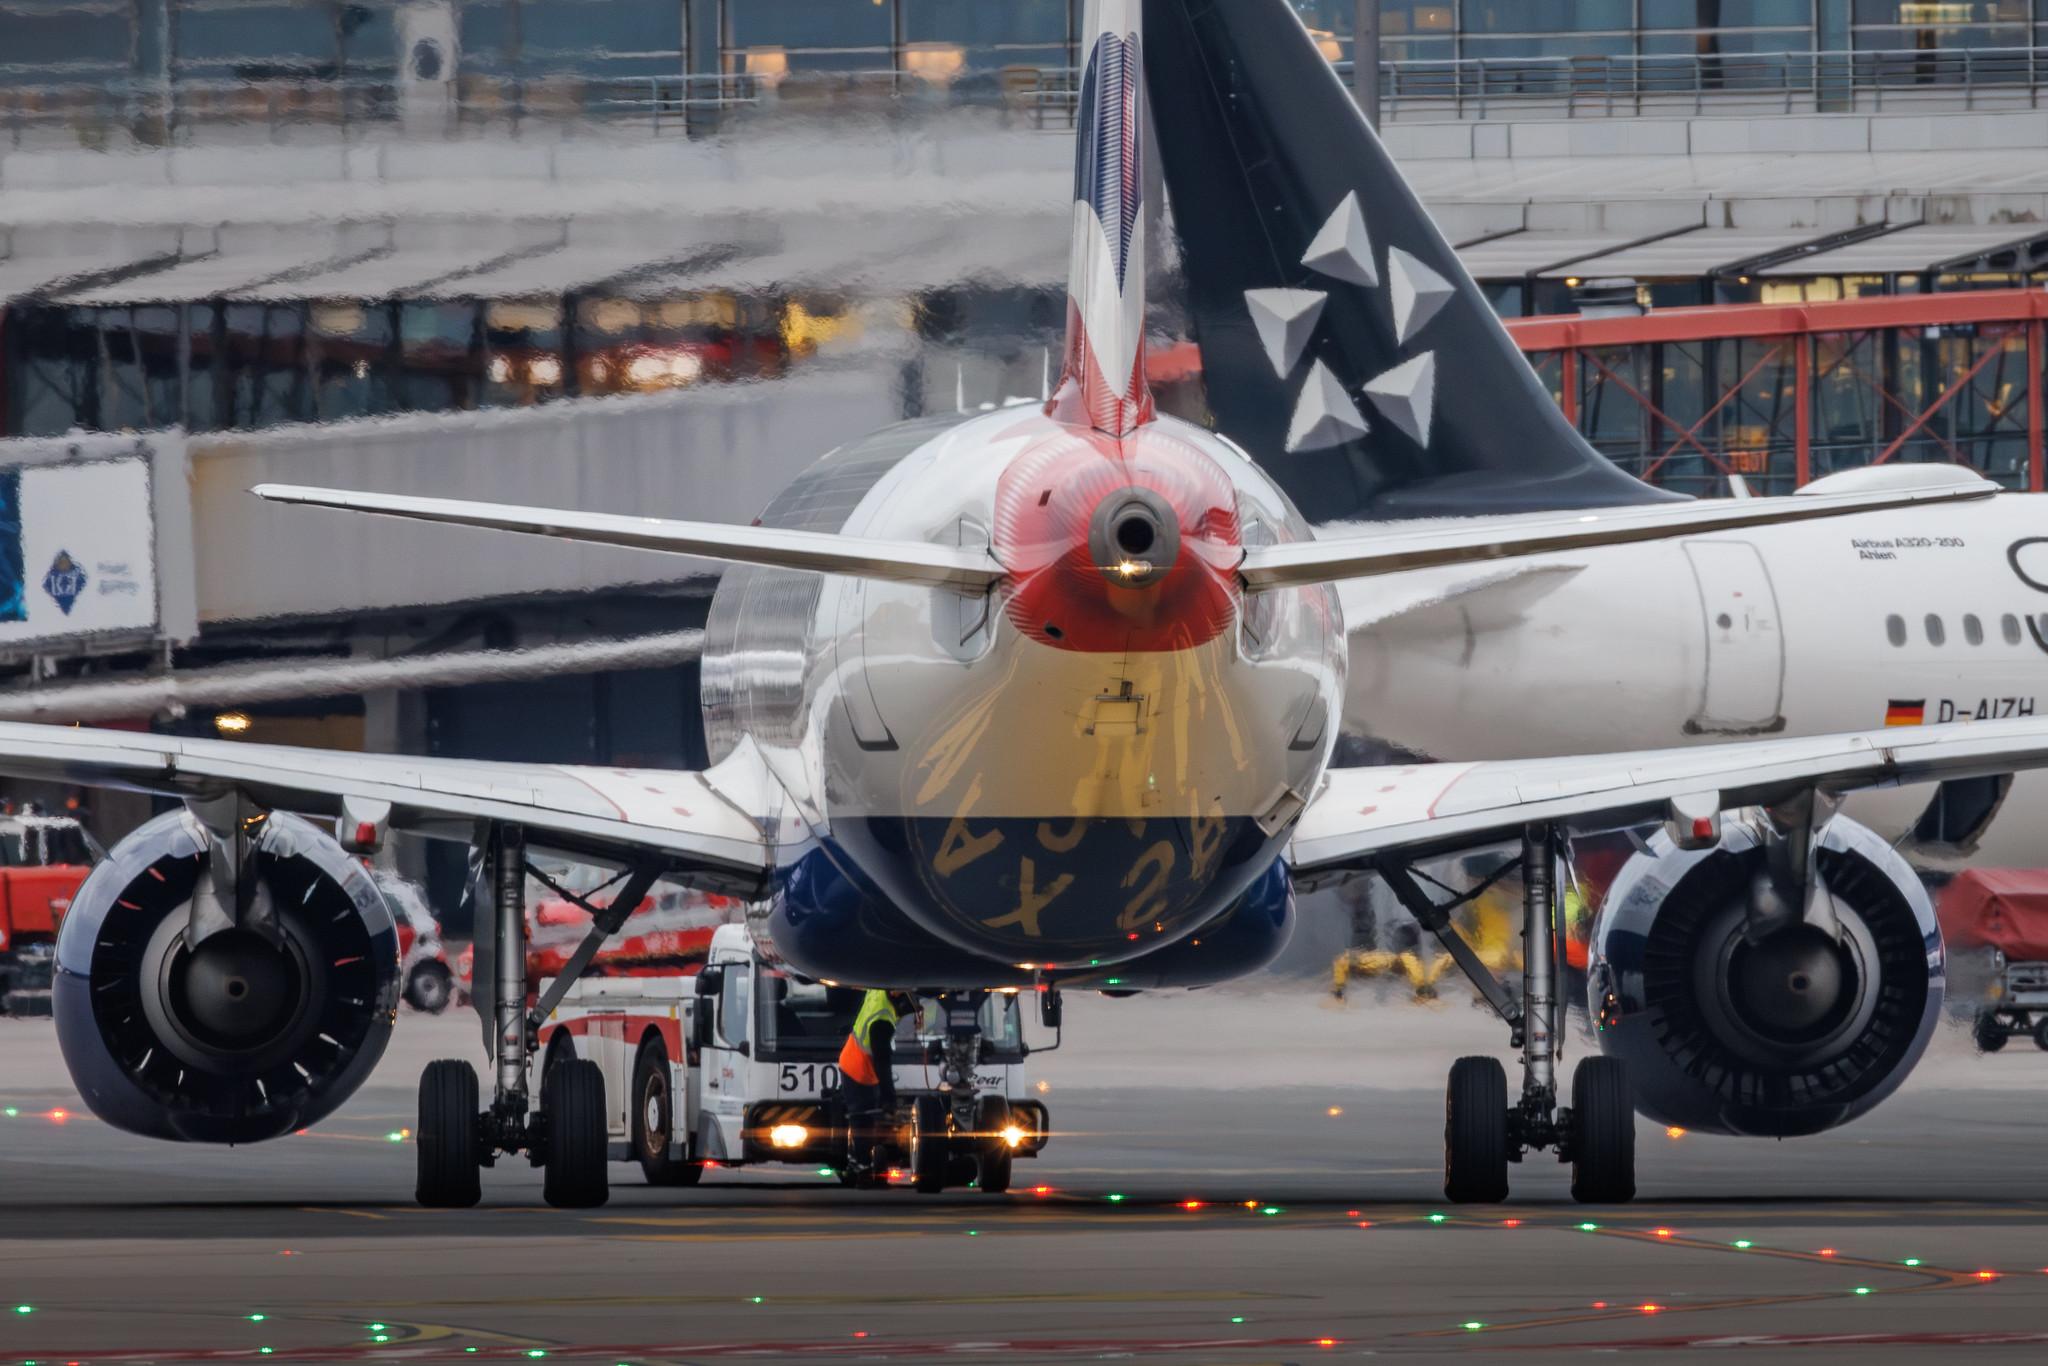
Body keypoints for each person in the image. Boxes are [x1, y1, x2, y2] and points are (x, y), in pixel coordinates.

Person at [839, 988, 917, 1181]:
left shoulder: (878, 990)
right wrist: (889, 1097)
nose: (904, 1013)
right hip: (857, 1070)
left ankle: (859, 1161)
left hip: (852, 1059)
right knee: (862, 1117)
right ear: (898, 996)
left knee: (866, 1115)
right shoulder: (882, 1021)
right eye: (907, 1009)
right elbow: (882, 1064)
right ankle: (862, 1168)